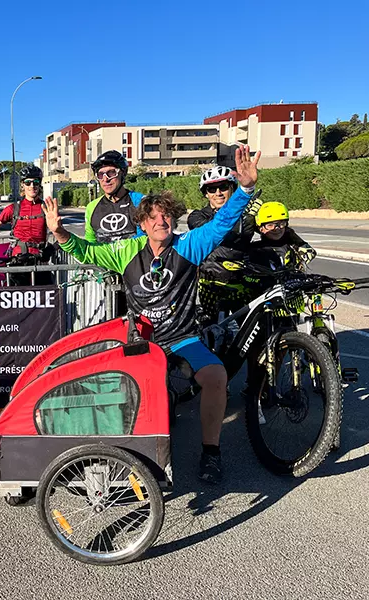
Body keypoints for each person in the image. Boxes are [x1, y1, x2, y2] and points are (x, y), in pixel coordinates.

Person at [43, 146, 261, 484]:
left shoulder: (188, 245)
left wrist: (244, 189)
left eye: (167, 216)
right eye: (154, 218)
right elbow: (86, 250)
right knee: (125, 387)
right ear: (142, 224)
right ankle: (127, 456)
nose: (162, 222)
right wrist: (58, 233)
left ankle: (211, 452)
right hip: (142, 340)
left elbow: (221, 224)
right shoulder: (127, 250)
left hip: (183, 337)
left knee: (216, 377)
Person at [188, 165, 261, 323]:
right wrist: (241, 217)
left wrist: (297, 244)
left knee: (252, 333)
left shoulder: (248, 213)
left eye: (223, 187)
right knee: (211, 333)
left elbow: (274, 232)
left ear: (232, 188)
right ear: (206, 194)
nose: (218, 193)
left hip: (242, 283)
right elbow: (216, 232)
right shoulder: (197, 216)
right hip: (211, 284)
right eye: (212, 189)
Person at [0, 165, 53, 285]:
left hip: (40, 262)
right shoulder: (13, 209)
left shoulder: (46, 208)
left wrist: (53, 248)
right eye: (28, 182)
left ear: (40, 184)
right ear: (22, 185)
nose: (32, 186)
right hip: (18, 262)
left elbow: (60, 232)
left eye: (36, 182)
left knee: (44, 301)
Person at [84, 150, 145, 243]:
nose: (105, 179)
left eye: (111, 173)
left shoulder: (140, 201)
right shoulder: (91, 207)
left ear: (123, 173)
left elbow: (144, 238)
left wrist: (116, 251)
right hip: (104, 258)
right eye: (100, 175)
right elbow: (90, 243)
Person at [249, 201, 316, 268]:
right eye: (270, 225)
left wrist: (293, 237)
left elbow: (310, 252)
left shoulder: (292, 247)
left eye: (281, 223)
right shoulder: (253, 250)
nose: (277, 228)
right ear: (260, 228)